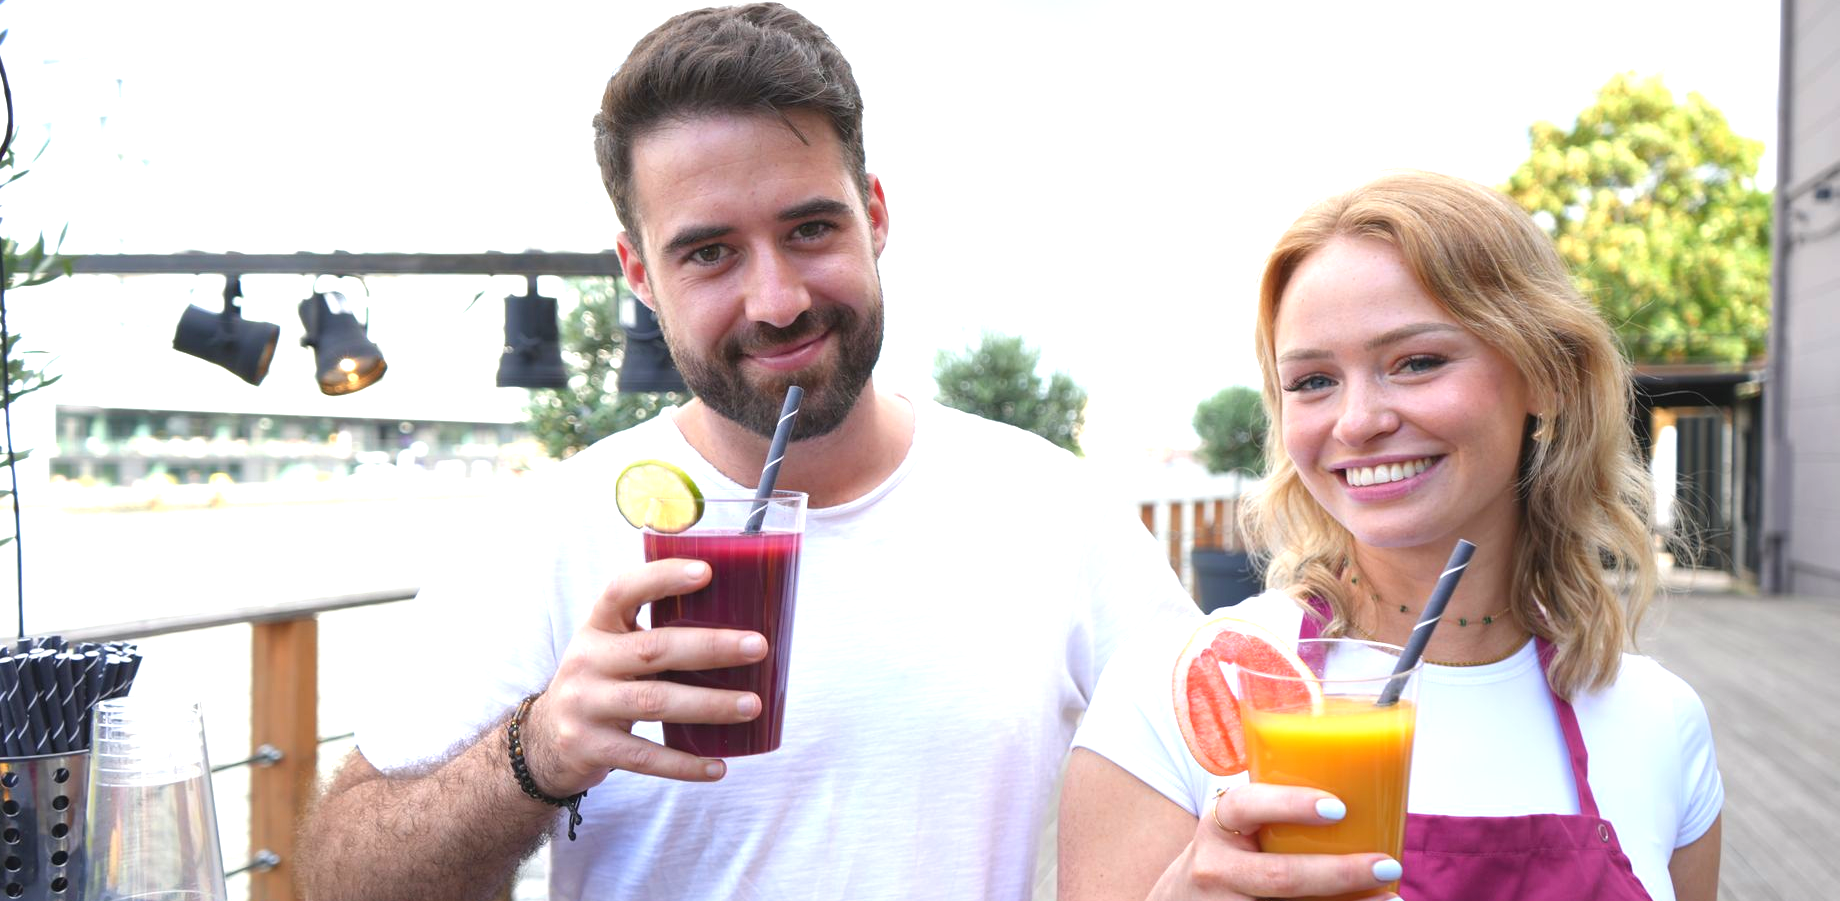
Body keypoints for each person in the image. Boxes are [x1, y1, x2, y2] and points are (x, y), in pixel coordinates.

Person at [295, 5, 1196, 900]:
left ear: (874, 216)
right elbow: (342, 877)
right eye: (710, 252)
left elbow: (1224, 772)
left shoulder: (1055, 511)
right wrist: (536, 752)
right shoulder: (552, 530)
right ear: (641, 275)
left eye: (810, 229)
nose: (776, 300)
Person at [1058, 171, 1724, 901]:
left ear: (1548, 374)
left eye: (1417, 362)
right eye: (1312, 380)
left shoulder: (1659, 724)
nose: (1356, 420)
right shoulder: (1186, 694)